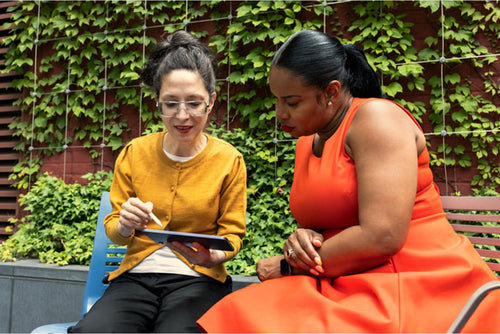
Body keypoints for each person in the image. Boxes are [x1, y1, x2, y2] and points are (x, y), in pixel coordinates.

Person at [197, 30, 499, 333]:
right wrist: (299, 242)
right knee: (239, 313)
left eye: (291, 101)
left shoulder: (376, 120)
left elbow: (383, 236)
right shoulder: (310, 139)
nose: (279, 113)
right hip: (347, 278)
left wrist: (289, 265)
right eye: (276, 100)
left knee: (246, 317)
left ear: (330, 92)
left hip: (417, 281)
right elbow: (329, 221)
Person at [68, 30, 247, 333]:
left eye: (194, 103)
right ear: (157, 103)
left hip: (199, 279)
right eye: (170, 104)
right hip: (136, 278)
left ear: (211, 102)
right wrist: (125, 224)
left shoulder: (229, 160)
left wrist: (214, 254)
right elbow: (114, 227)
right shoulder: (135, 153)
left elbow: (232, 234)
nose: (182, 115)